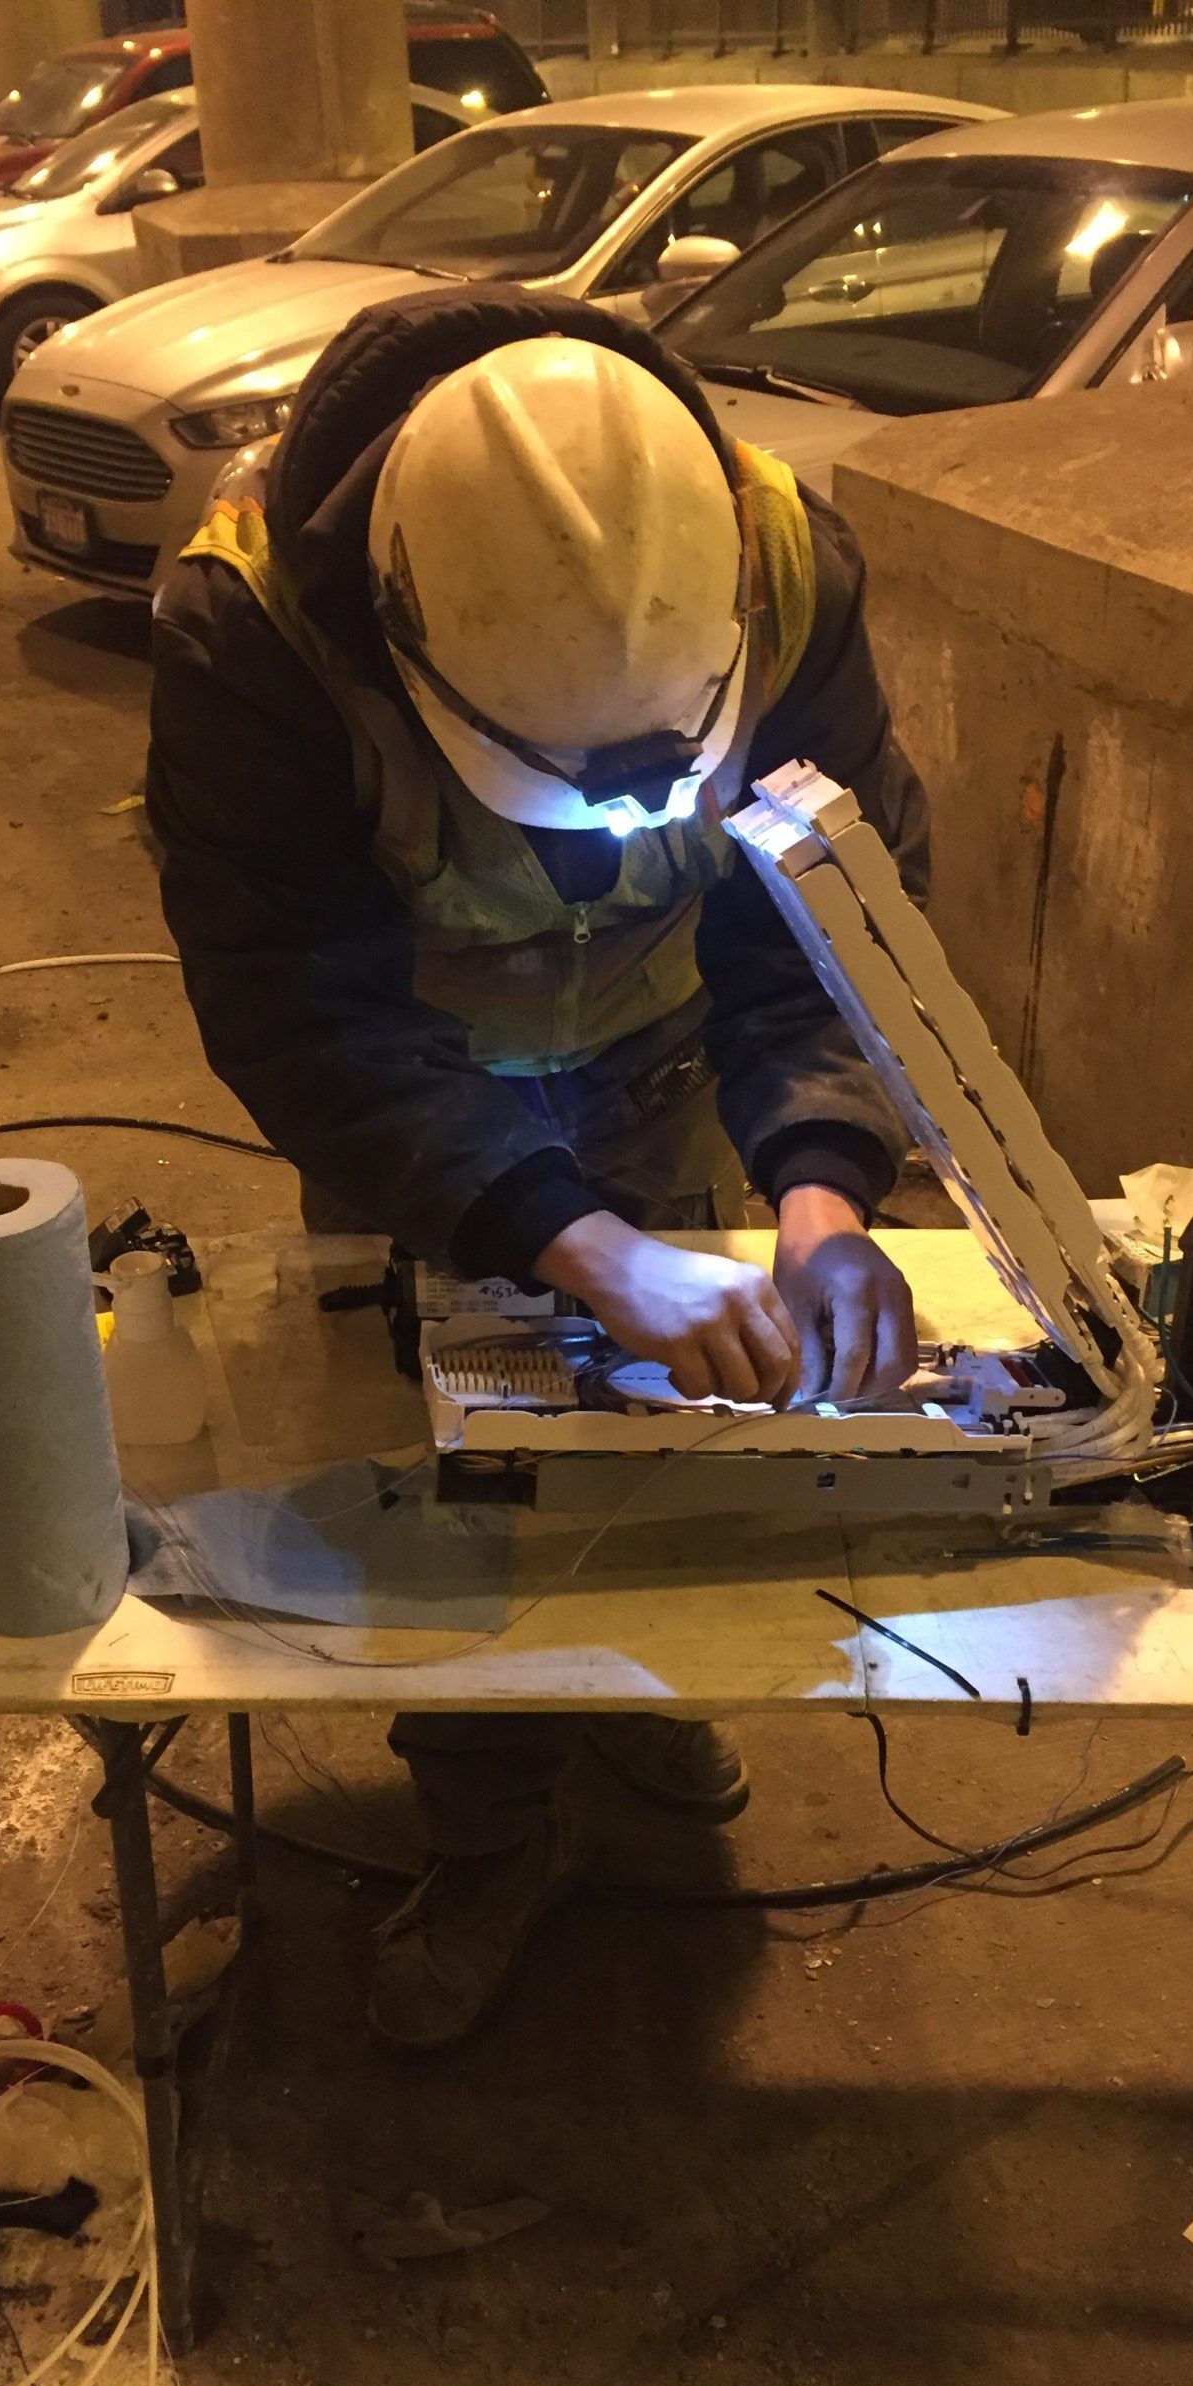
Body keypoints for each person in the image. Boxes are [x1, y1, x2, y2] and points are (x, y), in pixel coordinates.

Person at [148, 290, 931, 2049]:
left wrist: (818, 1186)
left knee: (682, 1421)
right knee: (456, 1476)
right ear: (408, 637)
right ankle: (494, 1824)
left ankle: (644, 1704)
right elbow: (301, 1012)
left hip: (654, 1054)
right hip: (417, 1093)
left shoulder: (779, 565)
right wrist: (564, 1237)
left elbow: (824, 918)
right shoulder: (254, 635)